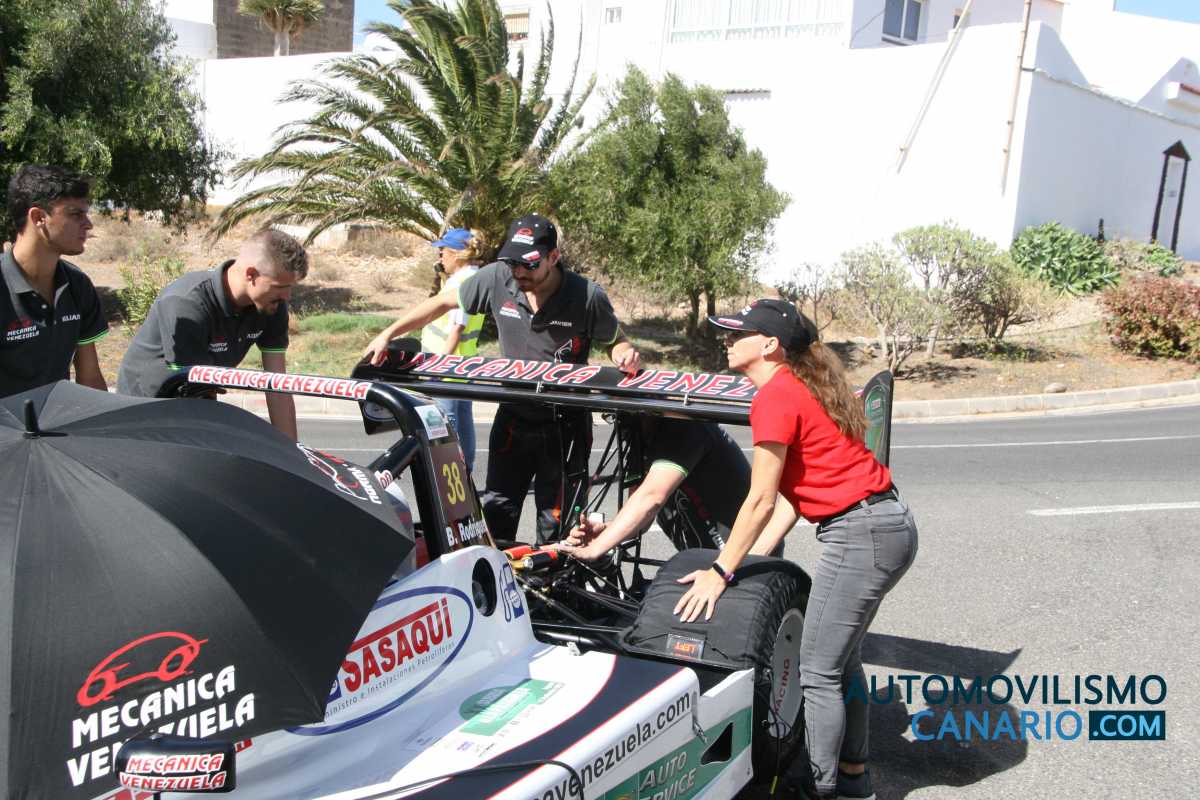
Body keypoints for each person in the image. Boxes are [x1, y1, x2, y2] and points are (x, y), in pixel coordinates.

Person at [674, 298, 918, 800]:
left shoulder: (775, 397)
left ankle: (817, 789)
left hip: (861, 534)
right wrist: (752, 560)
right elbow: (790, 497)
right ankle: (853, 780)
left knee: (818, 671)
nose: (726, 340)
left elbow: (760, 499)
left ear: (769, 345)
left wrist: (720, 571)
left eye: (736, 333)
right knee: (841, 661)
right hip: (884, 525)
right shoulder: (801, 387)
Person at [363, 214, 641, 543]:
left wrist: (625, 354)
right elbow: (442, 303)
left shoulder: (586, 296)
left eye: (529, 264)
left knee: (557, 525)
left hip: (565, 427)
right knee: (496, 514)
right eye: (513, 262)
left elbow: (617, 341)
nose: (519, 271)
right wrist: (388, 334)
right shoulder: (497, 277)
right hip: (513, 418)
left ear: (553, 257)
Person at [118, 228, 307, 439]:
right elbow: (193, 395)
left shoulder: (272, 305)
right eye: (280, 286)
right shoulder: (187, 302)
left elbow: (277, 385)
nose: (287, 296)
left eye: (291, 287)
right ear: (251, 275)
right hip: (144, 409)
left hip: (196, 398)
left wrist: (292, 450)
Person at [555, 416, 791, 560]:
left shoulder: (683, 427)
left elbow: (652, 498)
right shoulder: (640, 439)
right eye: (612, 417)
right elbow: (641, 519)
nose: (619, 423)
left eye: (622, 415)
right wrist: (605, 531)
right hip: (704, 555)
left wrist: (596, 548)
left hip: (748, 551)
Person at [1, 165, 108, 397]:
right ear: (38, 217)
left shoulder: (78, 285)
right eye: (76, 214)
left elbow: (90, 378)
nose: (88, 224)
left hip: (58, 417)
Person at [421, 228, 485, 471]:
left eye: (443, 252)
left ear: (456, 254)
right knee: (463, 420)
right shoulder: (474, 277)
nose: (440, 257)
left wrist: (437, 367)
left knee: (447, 423)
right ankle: (465, 470)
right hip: (463, 365)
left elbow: (457, 328)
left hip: (448, 367)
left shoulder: (462, 283)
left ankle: (454, 472)